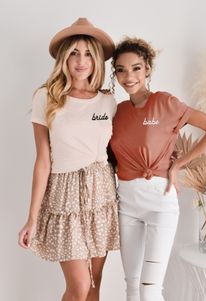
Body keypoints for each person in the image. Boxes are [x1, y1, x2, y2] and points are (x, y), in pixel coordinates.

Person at [109, 37, 206, 301]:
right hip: (126, 202)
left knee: (150, 289)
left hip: (160, 202)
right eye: (121, 69)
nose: (129, 76)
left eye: (136, 68)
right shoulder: (118, 111)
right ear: (115, 73)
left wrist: (177, 166)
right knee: (132, 284)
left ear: (148, 68)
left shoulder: (166, 103)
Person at [18, 18, 119, 301]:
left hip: (101, 193)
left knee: (95, 285)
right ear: (64, 57)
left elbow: (116, 149)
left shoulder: (107, 101)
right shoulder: (46, 98)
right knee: (80, 287)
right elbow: (43, 161)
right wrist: (31, 218)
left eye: (88, 53)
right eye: (74, 52)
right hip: (64, 197)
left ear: (97, 59)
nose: (81, 60)